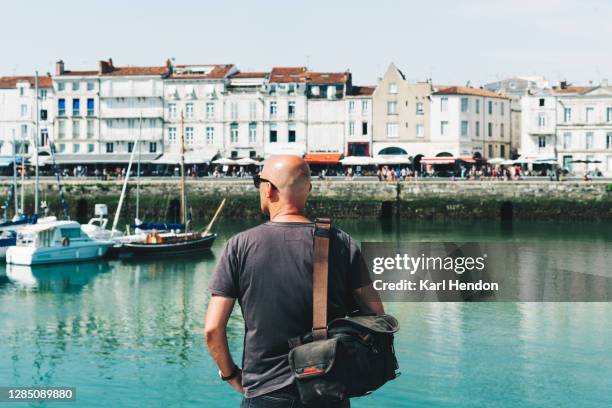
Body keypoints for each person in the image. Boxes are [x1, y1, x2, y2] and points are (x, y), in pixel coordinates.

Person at [204, 155, 383, 408]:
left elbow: (212, 329)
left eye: (259, 182)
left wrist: (231, 374)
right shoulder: (342, 243)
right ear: (308, 189)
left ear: (268, 189)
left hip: (265, 393)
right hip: (326, 390)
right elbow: (376, 315)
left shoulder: (239, 246)